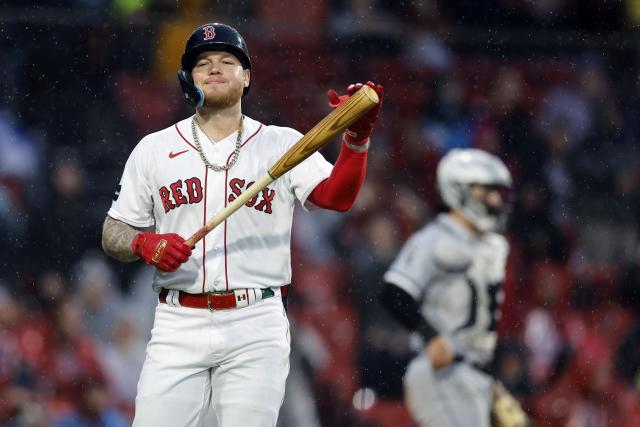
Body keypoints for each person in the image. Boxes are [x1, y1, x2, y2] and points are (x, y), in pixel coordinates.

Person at [101, 22, 383, 427]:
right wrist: (147, 244)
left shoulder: (281, 142)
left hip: (256, 320)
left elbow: (337, 196)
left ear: (247, 76)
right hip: (179, 321)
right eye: (203, 63)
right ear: (187, 79)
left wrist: (356, 140)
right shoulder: (154, 149)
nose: (215, 68)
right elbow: (113, 232)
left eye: (227, 61)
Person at [379, 148, 525, 427]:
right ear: (459, 190)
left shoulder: (491, 245)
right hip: (441, 372)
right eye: (487, 191)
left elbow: (477, 329)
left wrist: (487, 377)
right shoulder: (435, 238)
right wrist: (431, 336)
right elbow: (394, 293)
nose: (496, 199)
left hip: (473, 374)